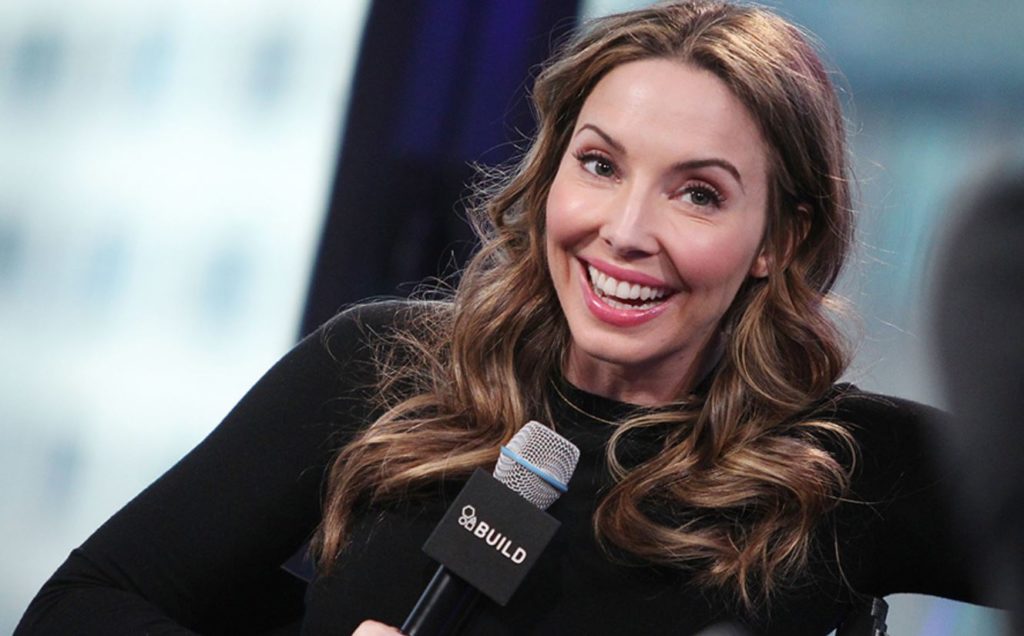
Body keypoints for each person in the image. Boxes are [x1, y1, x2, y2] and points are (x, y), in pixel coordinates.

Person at [16, 2, 981, 634]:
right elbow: (83, 607)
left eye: (698, 194)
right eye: (599, 165)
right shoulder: (388, 370)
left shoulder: (846, 468)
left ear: (779, 237)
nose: (624, 232)